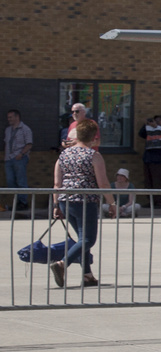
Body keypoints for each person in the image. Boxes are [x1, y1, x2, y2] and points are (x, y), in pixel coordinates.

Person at [51, 118, 114, 288]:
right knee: (88, 239)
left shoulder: (63, 155)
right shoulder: (94, 155)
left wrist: (56, 205)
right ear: (94, 137)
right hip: (85, 201)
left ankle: (87, 275)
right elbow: (103, 183)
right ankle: (61, 264)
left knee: (81, 239)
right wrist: (112, 203)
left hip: (65, 200)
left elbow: (57, 184)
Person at [4, 107, 31, 215]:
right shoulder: (8, 130)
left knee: (21, 181)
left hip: (19, 158)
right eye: (8, 117)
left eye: (11, 117)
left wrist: (21, 154)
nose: (9, 119)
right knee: (10, 181)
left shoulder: (25, 129)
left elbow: (29, 144)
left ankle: (23, 202)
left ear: (17, 117)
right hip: (8, 159)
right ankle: (17, 202)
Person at [140, 114, 161, 189]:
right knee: (148, 182)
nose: (156, 123)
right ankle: (150, 200)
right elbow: (141, 134)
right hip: (149, 159)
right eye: (155, 121)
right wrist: (146, 124)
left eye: (158, 121)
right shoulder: (149, 131)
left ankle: (159, 200)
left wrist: (157, 127)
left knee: (158, 183)